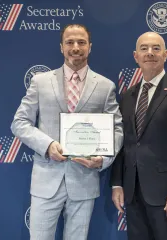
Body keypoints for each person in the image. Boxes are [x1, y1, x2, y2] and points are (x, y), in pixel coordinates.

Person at [11, 23, 123, 240]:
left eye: (81, 42)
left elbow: (116, 129)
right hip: (46, 180)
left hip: (84, 181)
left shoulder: (105, 86)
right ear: (61, 47)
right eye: (69, 42)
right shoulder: (40, 81)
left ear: (90, 47)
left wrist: (103, 159)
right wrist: (48, 145)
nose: (75, 47)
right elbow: (20, 122)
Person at [110, 32, 167, 240]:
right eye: (144, 48)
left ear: (165, 54)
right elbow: (122, 144)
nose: (150, 53)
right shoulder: (127, 96)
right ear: (136, 56)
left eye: (156, 48)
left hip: (166, 194)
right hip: (132, 193)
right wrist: (117, 183)